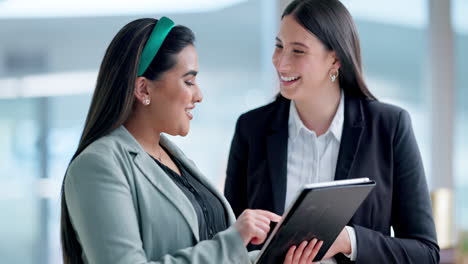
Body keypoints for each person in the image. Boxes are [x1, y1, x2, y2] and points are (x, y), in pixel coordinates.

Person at [60, 16, 323, 264]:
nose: (199, 96)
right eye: (189, 81)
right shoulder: (97, 165)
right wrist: (233, 240)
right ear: (143, 89)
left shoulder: (175, 160)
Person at [224, 0, 440, 263]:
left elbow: (425, 253)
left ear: (335, 59)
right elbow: (228, 244)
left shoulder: (389, 126)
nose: (281, 62)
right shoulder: (252, 129)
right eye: (279, 46)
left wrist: (348, 240)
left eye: (298, 51)